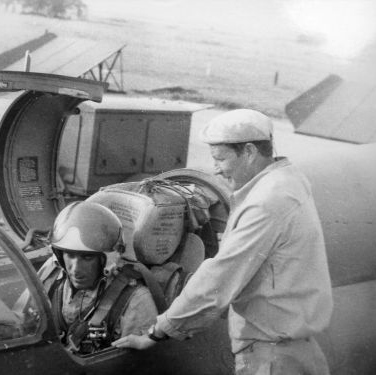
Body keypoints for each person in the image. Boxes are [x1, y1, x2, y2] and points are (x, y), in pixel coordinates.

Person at [112, 109, 333, 375]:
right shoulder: (289, 180)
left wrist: (157, 331)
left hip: (270, 357)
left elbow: (219, 278)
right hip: (294, 349)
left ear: (250, 152)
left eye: (221, 158)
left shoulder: (267, 202)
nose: (215, 169)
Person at [36, 201, 158, 354]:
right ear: (59, 255)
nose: (76, 269)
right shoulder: (51, 275)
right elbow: (24, 322)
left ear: (106, 260)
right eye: (70, 255)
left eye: (87, 258)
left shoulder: (135, 301)